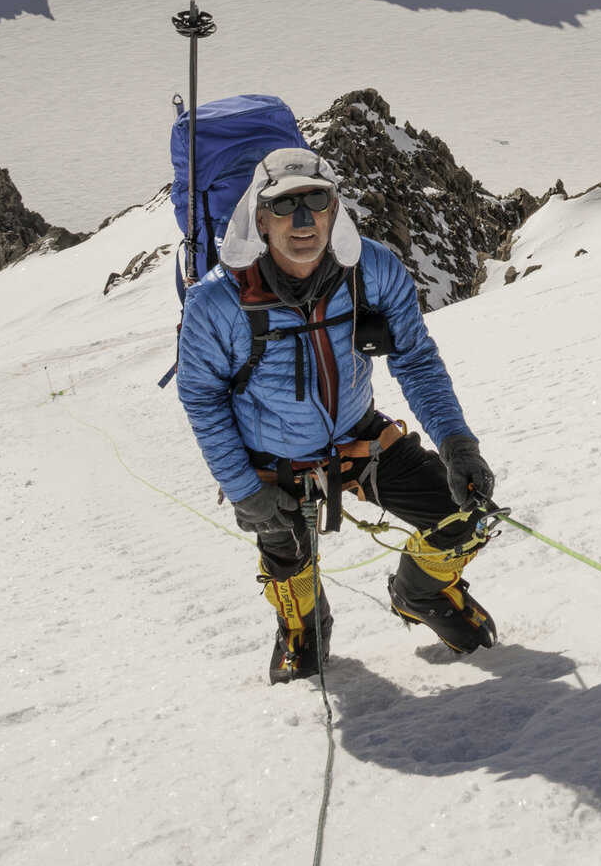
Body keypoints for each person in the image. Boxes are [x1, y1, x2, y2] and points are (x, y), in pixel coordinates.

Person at [176, 146, 497, 682]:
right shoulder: (217, 303)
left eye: (316, 202)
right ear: (258, 216)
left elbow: (414, 358)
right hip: (272, 465)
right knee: (289, 567)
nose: (302, 221)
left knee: (468, 512)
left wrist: (458, 444)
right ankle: (304, 627)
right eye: (283, 206)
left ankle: (422, 593)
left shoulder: (371, 270)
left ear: (335, 209)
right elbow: (202, 398)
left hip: (359, 440)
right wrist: (244, 490)